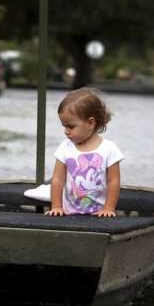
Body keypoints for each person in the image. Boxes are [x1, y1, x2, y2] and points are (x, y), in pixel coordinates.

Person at [45, 88, 123, 217]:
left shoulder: (109, 149)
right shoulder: (65, 147)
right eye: (64, 126)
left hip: (99, 214)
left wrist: (109, 208)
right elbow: (58, 179)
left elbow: (113, 181)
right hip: (69, 214)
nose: (66, 131)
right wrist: (57, 206)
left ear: (90, 123)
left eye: (71, 126)